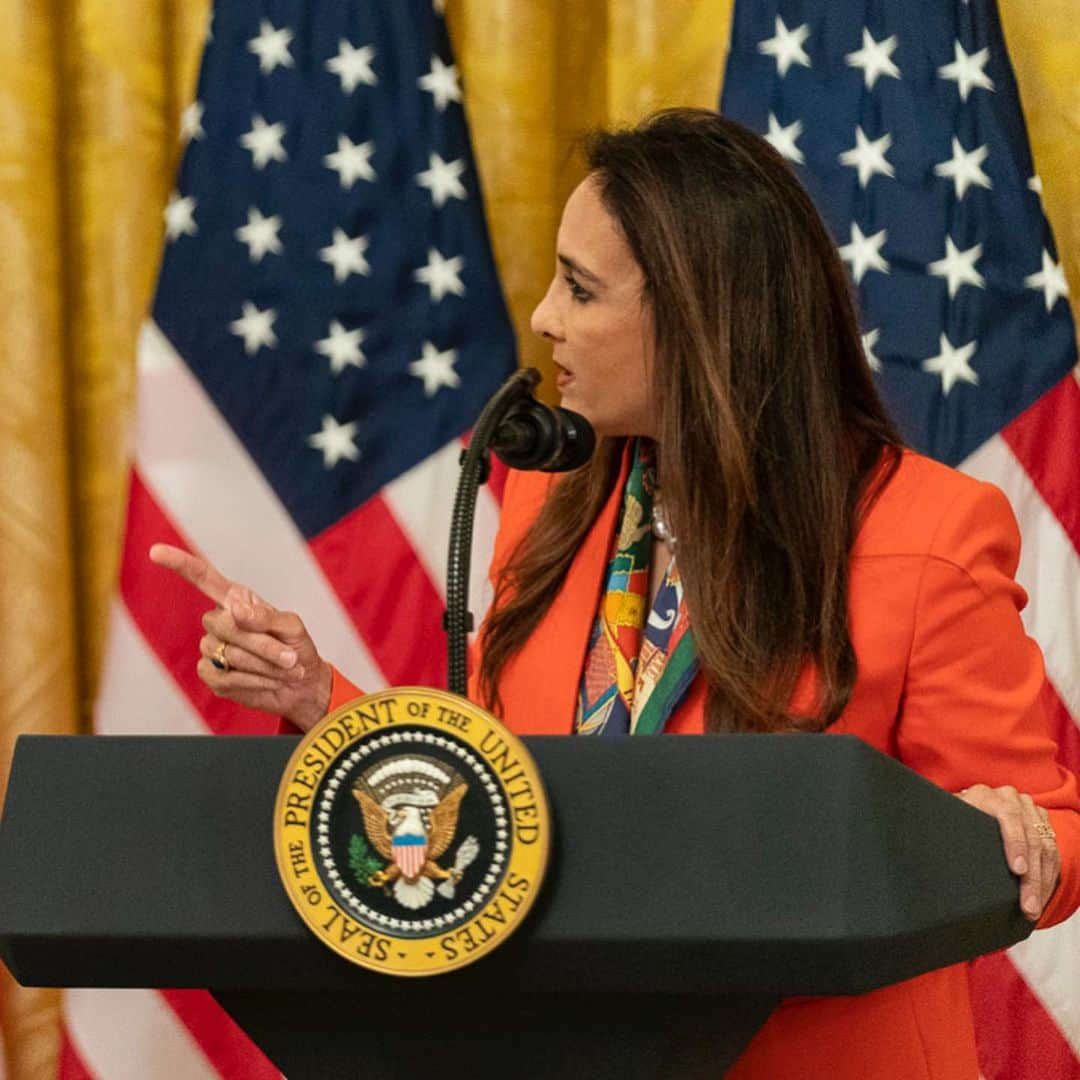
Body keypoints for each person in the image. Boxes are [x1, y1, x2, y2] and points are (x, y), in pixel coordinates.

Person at [150, 108, 1079, 1078]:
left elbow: (1050, 826)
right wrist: (316, 696)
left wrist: (1013, 841)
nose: (545, 316)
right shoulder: (548, 495)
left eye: (580, 289)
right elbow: (505, 791)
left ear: (698, 321)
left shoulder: (929, 529)